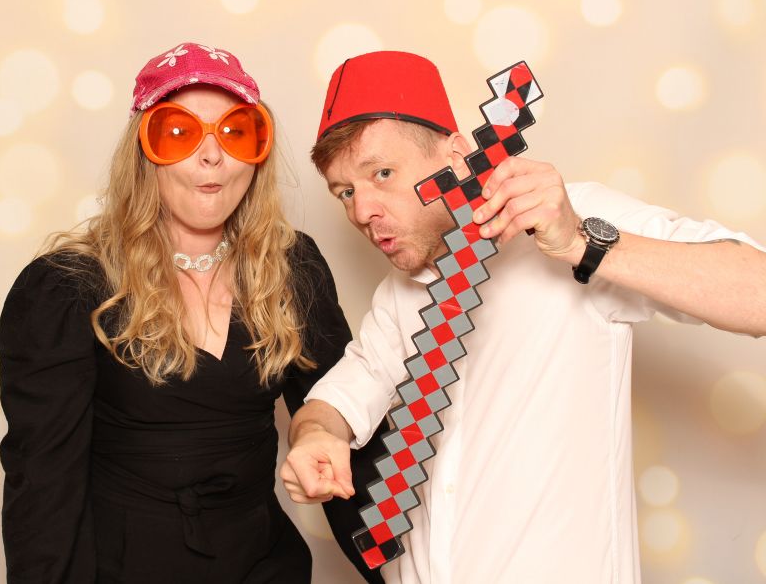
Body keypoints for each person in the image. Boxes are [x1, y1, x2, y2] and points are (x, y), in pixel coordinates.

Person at [280, 50, 766, 583]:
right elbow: (338, 401)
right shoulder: (398, 296)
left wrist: (581, 243)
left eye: (383, 173)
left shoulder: (574, 217)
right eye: (346, 192)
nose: (361, 211)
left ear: (457, 156)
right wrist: (315, 435)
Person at [0, 42, 387, 584]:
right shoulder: (67, 287)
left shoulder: (292, 265)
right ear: (143, 152)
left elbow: (342, 424)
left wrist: (395, 569)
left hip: (264, 567)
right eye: (179, 132)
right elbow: (43, 489)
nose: (212, 156)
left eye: (235, 133)